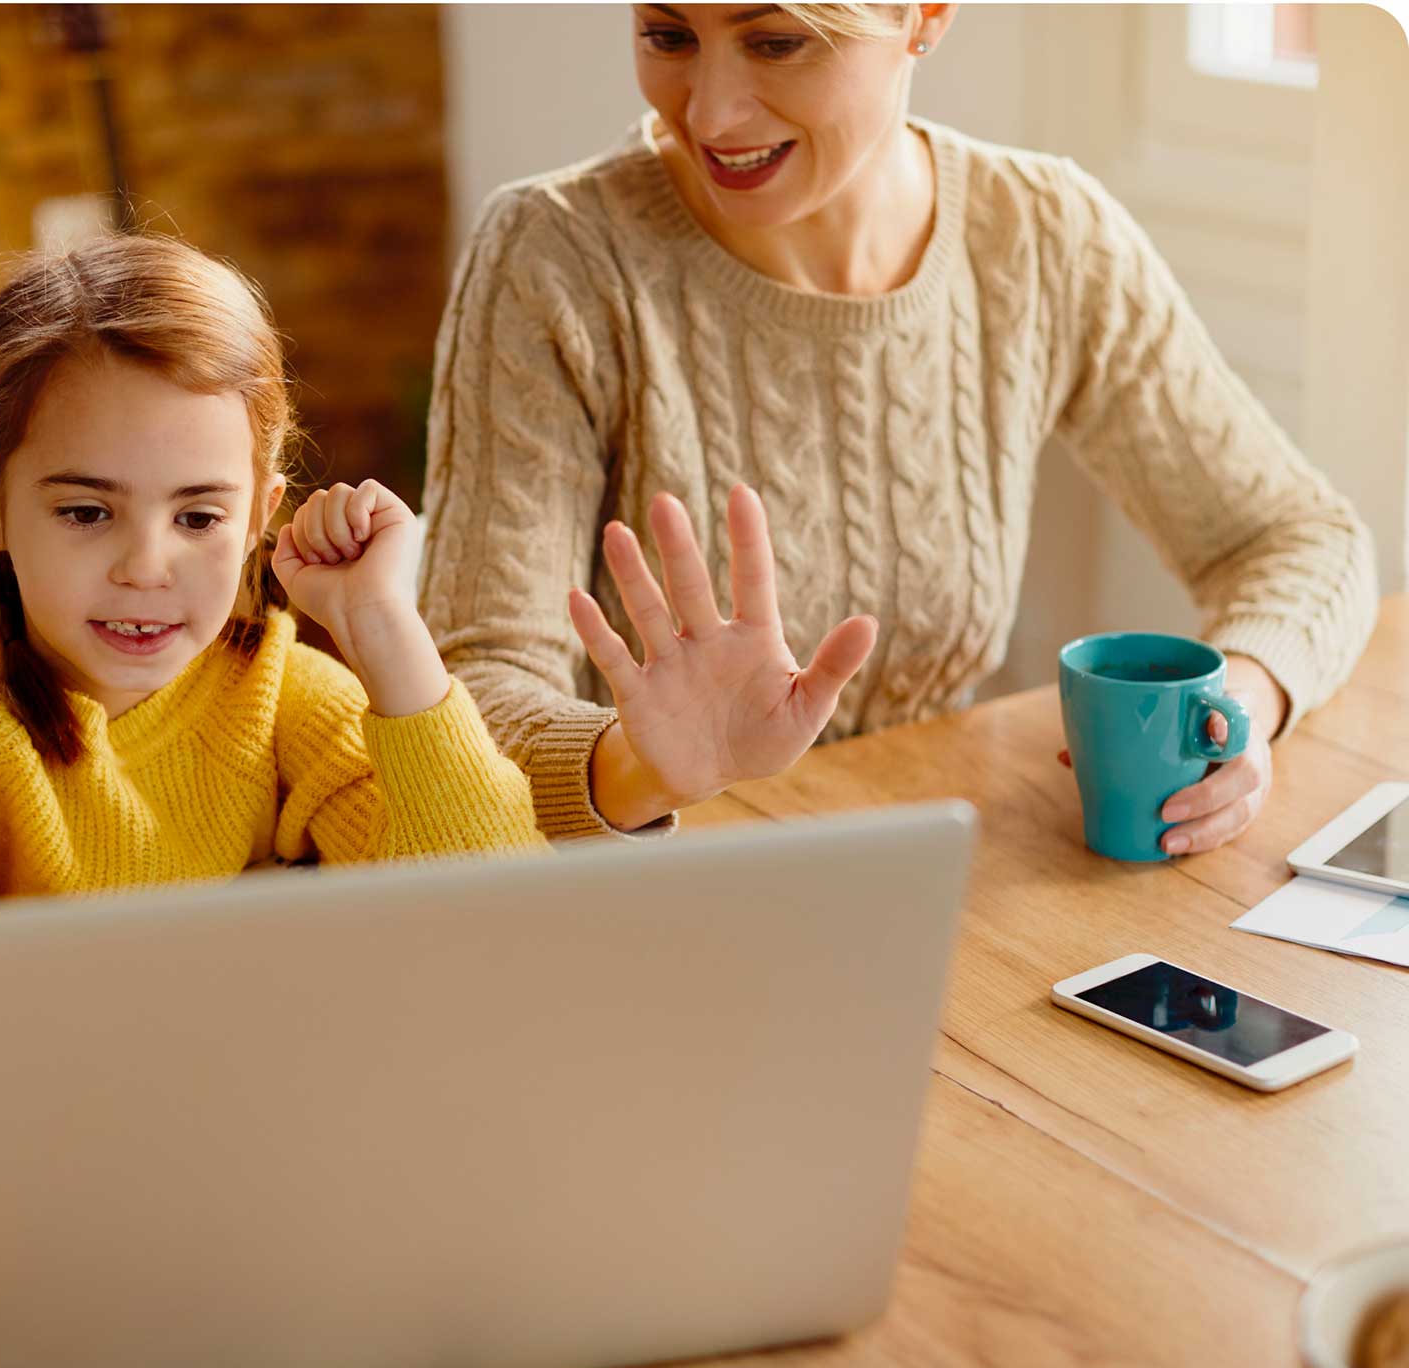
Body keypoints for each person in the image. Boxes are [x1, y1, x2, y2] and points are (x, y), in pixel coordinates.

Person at [420, 1, 1377, 853]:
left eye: (777, 40)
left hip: (932, 876)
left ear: (925, 15)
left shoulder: (1042, 235)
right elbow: (470, 694)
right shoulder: (552, 258)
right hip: (641, 890)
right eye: (669, 34)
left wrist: (1234, 713)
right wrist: (648, 768)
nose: (709, 112)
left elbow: (1296, 540)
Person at [0, 231, 545, 1058]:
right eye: (86, 512)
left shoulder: (283, 696)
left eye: (199, 515)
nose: (146, 568)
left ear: (259, 520)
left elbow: (494, 931)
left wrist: (385, 631)